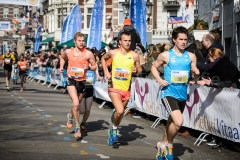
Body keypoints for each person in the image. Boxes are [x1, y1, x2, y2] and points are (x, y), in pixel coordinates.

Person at [151, 26, 199, 160]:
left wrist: (195, 75)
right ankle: (169, 145)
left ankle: (162, 143)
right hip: (168, 93)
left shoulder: (190, 56)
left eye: (185, 39)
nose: (184, 42)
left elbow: (194, 77)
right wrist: (159, 79)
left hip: (182, 94)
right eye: (181, 39)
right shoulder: (166, 55)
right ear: (174, 40)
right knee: (178, 122)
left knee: (171, 123)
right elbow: (153, 67)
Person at [101, 31, 142, 145]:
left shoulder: (134, 55)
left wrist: (136, 70)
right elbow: (103, 59)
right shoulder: (113, 53)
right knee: (119, 110)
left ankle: (114, 127)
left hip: (126, 88)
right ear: (120, 42)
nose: (128, 43)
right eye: (125, 40)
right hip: (113, 86)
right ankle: (114, 131)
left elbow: (139, 69)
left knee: (120, 113)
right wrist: (105, 72)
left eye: (129, 41)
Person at [59, 32, 96, 138]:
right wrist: (61, 67)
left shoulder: (88, 53)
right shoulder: (68, 51)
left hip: (82, 81)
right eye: (79, 41)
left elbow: (94, 66)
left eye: (83, 41)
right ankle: (77, 127)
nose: (81, 42)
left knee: (77, 104)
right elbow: (62, 58)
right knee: (76, 104)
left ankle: (70, 115)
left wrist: (88, 68)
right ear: (75, 41)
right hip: (71, 80)